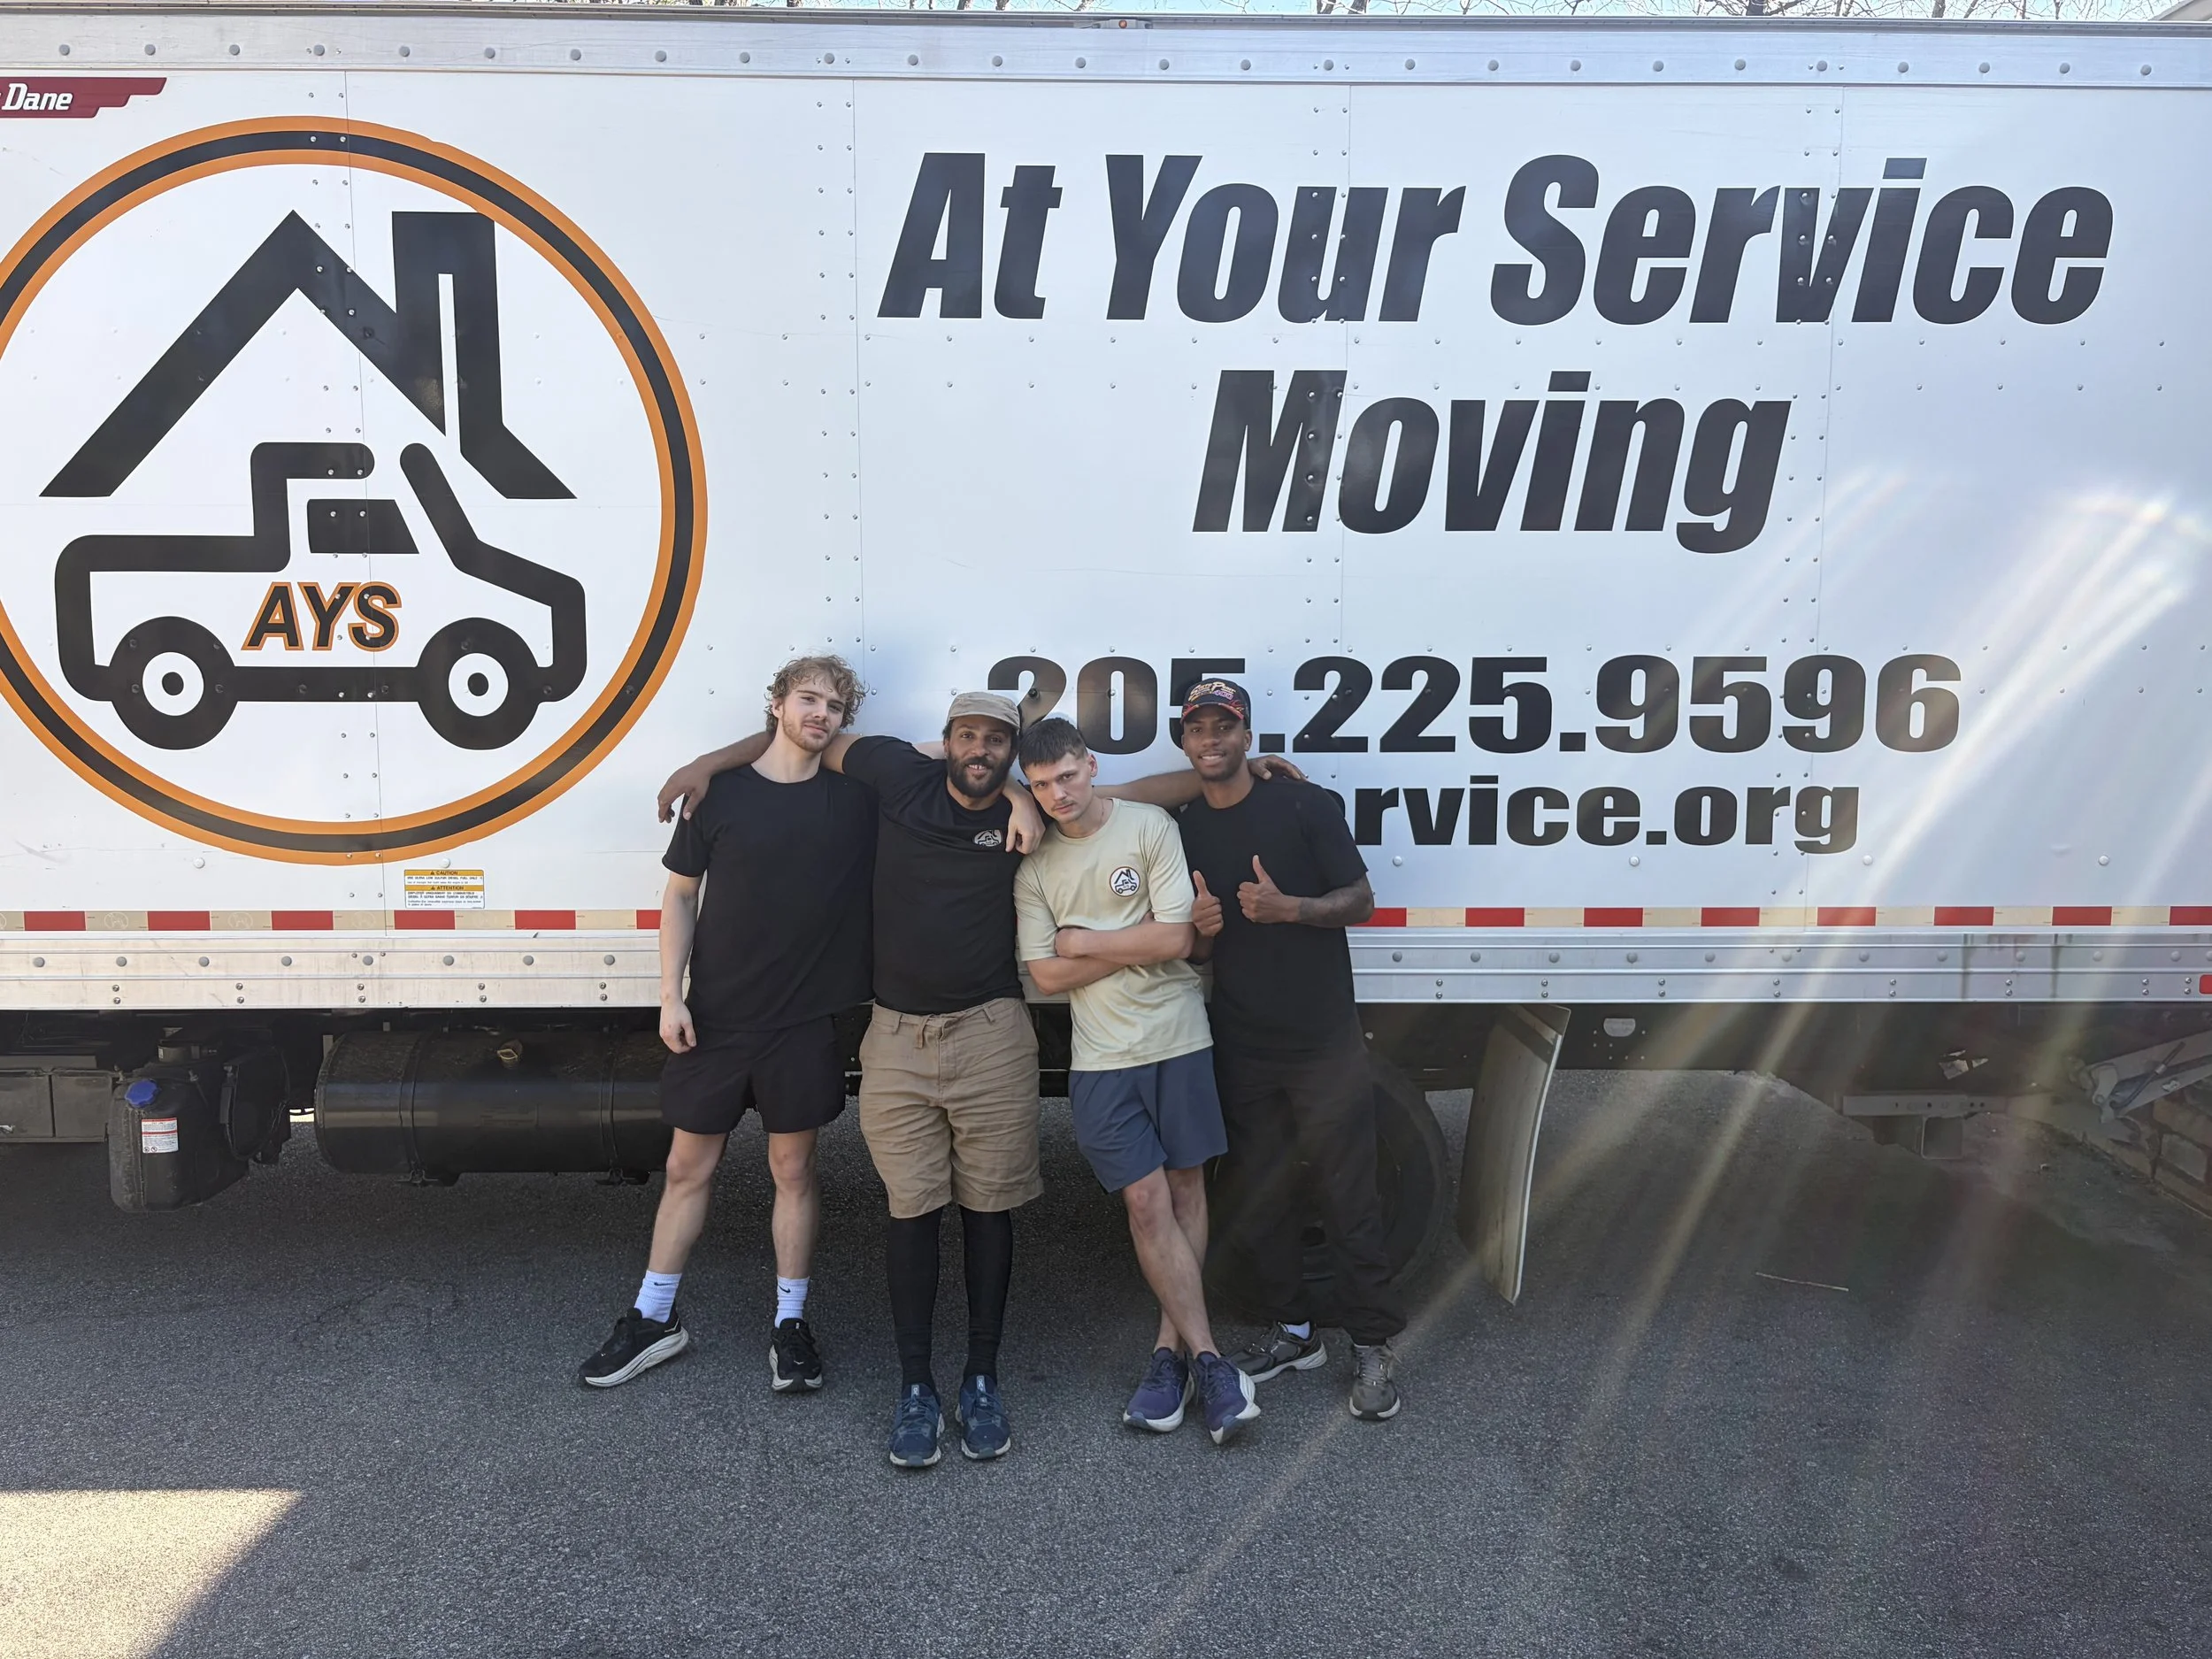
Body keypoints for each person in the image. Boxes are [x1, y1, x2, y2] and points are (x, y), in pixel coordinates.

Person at [657, 692, 1045, 1469]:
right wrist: (706, 762)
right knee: (912, 1210)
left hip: (993, 1030)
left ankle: (980, 1378)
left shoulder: (1027, 806)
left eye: (996, 741)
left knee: (988, 1209)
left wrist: (1026, 793)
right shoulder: (894, 773)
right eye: (967, 735)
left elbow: (1117, 795)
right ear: (942, 742)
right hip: (896, 1034)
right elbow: (800, 738)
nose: (979, 749)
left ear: (1013, 753)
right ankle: (915, 1388)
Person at [580, 657, 875, 1397]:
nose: (821, 713)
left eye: (835, 706)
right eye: (808, 698)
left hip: (804, 1024)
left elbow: (941, 760)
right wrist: (669, 995)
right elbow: (680, 897)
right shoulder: (719, 795)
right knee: (687, 1168)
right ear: (775, 702)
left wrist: (1020, 798)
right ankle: (653, 1318)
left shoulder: (855, 799)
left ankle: (790, 1324)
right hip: (714, 1018)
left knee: (794, 1171)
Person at [1012, 718, 1260, 1447]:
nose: (1058, 794)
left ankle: (1170, 1357)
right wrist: (1136, 941)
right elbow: (1046, 975)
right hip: (1101, 1056)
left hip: (1178, 1039)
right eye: (1042, 785)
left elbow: (1178, 938)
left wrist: (1085, 938)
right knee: (1145, 1201)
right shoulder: (1034, 869)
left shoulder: (1150, 825)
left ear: (1090, 766)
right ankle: (1212, 1360)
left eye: (1067, 775)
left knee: (1185, 1189)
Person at [1174, 679, 1409, 1422]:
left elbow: (1361, 899)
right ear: (1186, 741)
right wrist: (1205, 929)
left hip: (1322, 1041)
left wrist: (1291, 909)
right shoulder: (1184, 825)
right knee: (1262, 1190)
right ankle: (1295, 1331)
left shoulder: (1306, 804)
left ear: (1248, 736)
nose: (1211, 739)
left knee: (1349, 1192)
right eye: (1198, 728)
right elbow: (1199, 944)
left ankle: (1372, 1345)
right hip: (1240, 1039)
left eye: (1225, 726)